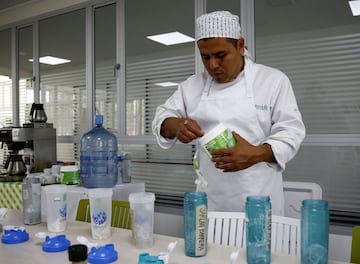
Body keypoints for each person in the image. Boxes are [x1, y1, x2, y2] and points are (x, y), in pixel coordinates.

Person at [152, 11, 305, 215]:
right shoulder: (192, 86)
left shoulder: (272, 81)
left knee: (257, 246)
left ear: (240, 46)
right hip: (210, 203)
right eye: (205, 57)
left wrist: (256, 154)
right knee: (211, 246)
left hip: (259, 202)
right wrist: (176, 125)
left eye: (220, 55)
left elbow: (291, 131)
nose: (213, 65)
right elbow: (162, 118)